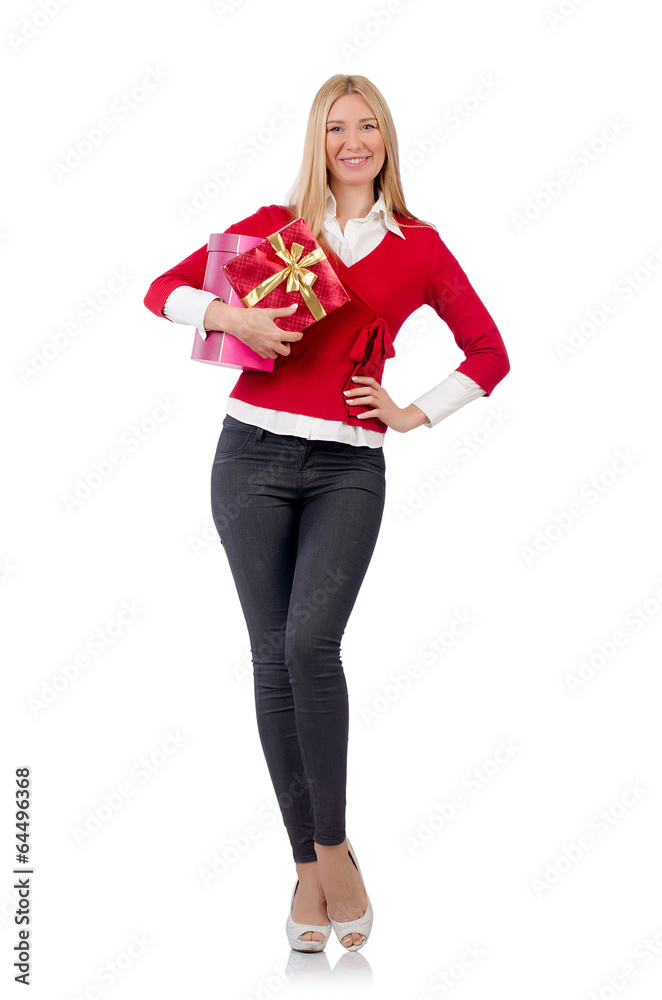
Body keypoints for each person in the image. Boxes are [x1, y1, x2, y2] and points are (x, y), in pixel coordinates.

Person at [143, 73, 510, 953]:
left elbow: (491, 351)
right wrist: (232, 312)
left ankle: (332, 848)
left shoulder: (418, 246)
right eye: (337, 127)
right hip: (250, 456)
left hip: (349, 466)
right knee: (272, 656)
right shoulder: (278, 228)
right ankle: (310, 868)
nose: (353, 142)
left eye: (369, 126)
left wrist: (413, 409)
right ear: (318, 140)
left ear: (387, 139)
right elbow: (161, 291)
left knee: (311, 645)